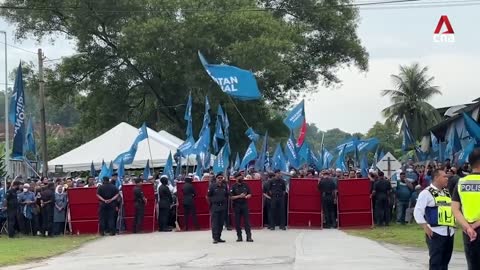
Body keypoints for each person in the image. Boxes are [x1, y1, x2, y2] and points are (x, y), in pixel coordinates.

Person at [414, 169, 455, 270]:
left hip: (449, 232)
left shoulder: (447, 192)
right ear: (436, 178)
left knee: (445, 262)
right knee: (436, 263)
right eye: (444, 176)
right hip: (436, 232)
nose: (447, 178)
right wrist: (425, 227)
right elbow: (418, 211)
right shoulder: (426, 193)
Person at [452, 148, 480, 270]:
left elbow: (455, 209)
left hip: (468, 232)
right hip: (475, 227)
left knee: (473, 265)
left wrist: (468, 227)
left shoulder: (461, 183)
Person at [230, 172, 253, 242]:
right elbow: (231, 197)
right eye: (239, 177)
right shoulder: (233, 186)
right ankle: (239, 236)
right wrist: (239, 196)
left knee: (247, 222)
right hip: (236, 205)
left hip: (244, 205)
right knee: (237, 222)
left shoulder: (246, 185)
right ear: (236, 178)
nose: (241, 178)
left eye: (241, 176)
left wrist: (247, 196)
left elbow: (250, 194)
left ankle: (249, 236)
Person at [207, 172, 229, 244]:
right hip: (215, 206)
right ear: (216, 179)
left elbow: (227, 195)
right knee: (215, 223)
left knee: (221, 223)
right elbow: (208, 196)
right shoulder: (212, 186)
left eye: (221, 178)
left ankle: (219, 237)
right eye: (218, 178)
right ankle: (215, 238)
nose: (220, 179)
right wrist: (211, 203)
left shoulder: (224, 186)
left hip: (222, 207)